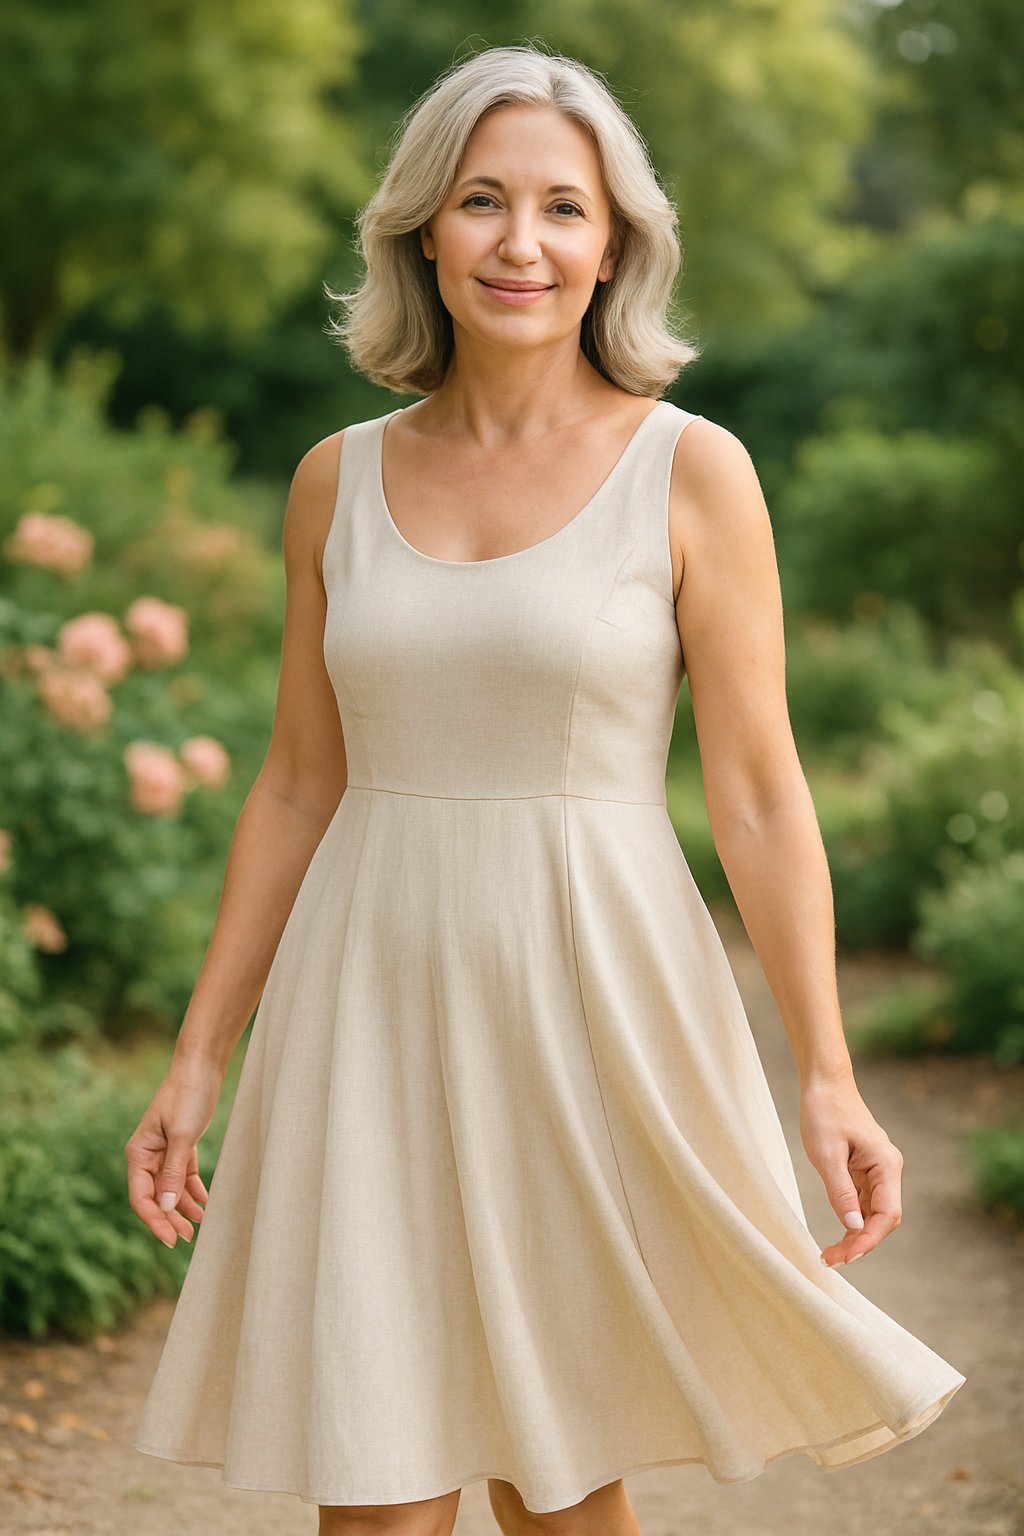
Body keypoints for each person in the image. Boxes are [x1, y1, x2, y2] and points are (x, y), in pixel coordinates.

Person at [127, 42, 966, 1536]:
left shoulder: (693, 471)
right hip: (366, 997)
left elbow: (764, 795)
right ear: (422, 235)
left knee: (562, 1487)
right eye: (483, 202)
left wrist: (828, 1070)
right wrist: (199, 1055)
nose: (522, 242)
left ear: (614, 246)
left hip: (593, 991)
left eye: (564, 209)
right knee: (374, 1485)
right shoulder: (335, 479)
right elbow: (297, 786)